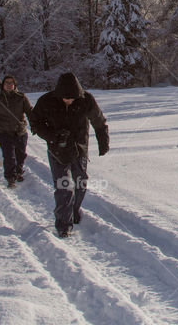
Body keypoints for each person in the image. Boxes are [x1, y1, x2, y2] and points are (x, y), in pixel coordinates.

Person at [30, 72, 109, 238]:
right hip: (57, 149)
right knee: (63, 186)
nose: (69, 101)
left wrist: (103, 143)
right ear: (58, 94)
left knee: (80, 183)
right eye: (65, 98)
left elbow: (99, 121)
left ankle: (73, 211)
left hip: (79, 148)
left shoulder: (86, 99)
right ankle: (63, 224)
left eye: (72, 98)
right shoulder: (46, 101)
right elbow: (35, 122)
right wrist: (52, 136)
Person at [0, 75, 33, 188]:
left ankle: (19, 172)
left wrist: (35, 126)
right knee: (9, 156)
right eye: (6, 83)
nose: (9, 85)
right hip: (5, 132)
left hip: (20, 132)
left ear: (15, 85)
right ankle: (10, 178)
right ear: (3, 86)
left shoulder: (21, 97)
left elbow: (30, 112)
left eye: (11, 83)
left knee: (21, 155)